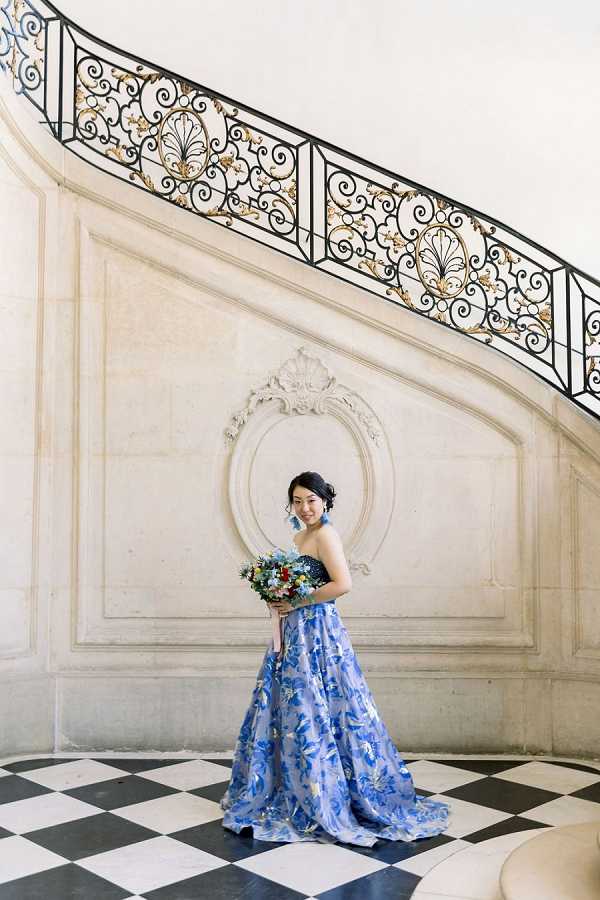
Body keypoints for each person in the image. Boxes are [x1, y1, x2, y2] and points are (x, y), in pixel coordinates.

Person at [220, 471, 450, 846]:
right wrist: (278, 595)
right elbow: (304, 583)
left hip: (319, 631)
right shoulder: (300, 536)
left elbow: (342, 584)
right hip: (296, 630)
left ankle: (333, 793)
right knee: (295, 705)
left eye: (311, 499)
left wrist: (295, 600)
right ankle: (296, 786)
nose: (305, 507)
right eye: (297, 501)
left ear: (325, 500)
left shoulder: (326, 535)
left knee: (325, 703)